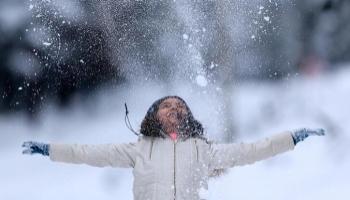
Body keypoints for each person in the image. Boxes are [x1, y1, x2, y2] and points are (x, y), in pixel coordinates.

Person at [22, 95, 325, 200]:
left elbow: (250, 150)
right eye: (166, 105)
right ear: (153, 115)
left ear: (188, 116)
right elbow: (87, 153)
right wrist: (50, 149)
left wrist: (291, 138)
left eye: (179, 105)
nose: (173, 109)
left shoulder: (202, 150)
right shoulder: (139, 149)